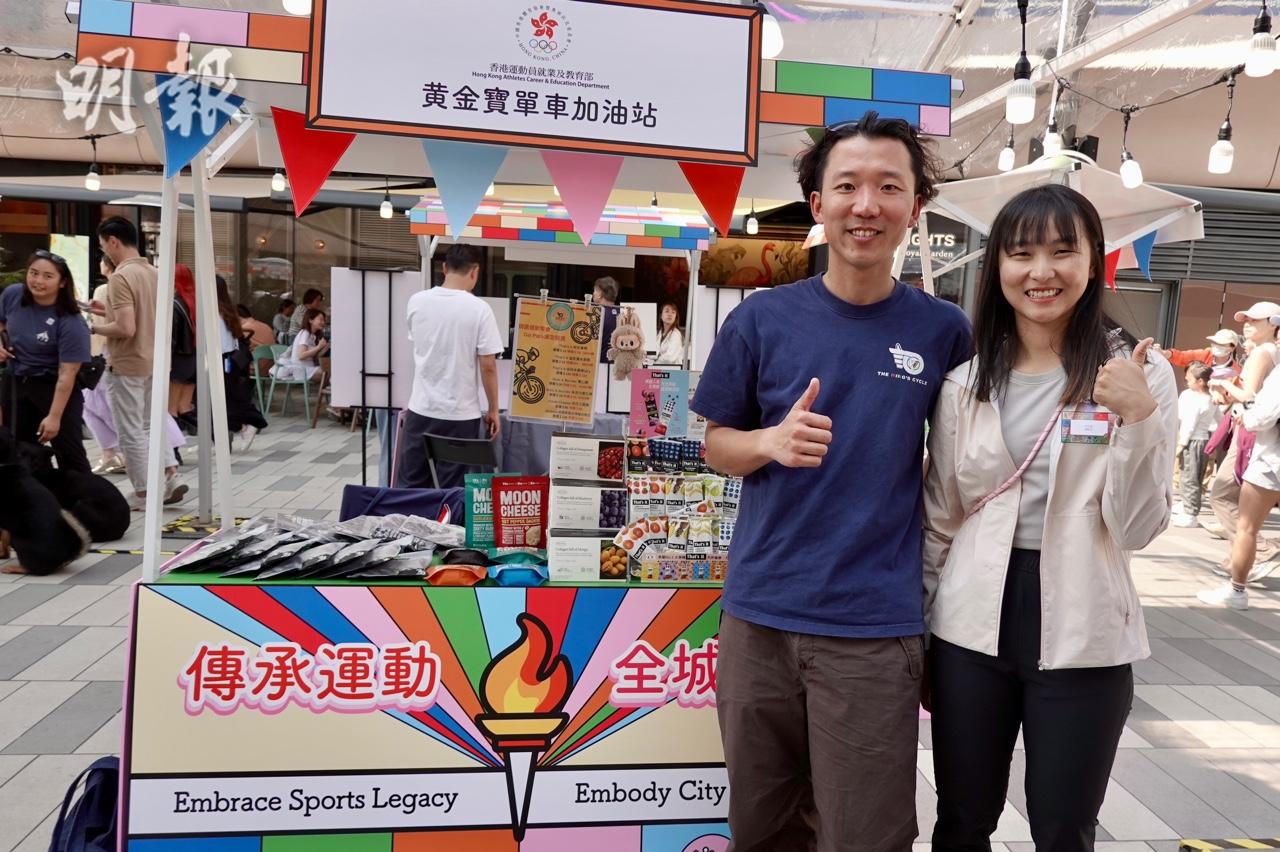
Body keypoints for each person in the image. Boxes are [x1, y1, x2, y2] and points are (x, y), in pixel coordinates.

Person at [690, 113, 972, 850]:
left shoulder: (944, 331)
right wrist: (769, 442)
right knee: (763, 826)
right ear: (818, 204)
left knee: (865, 834)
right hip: (760, 617)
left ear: (916, 206)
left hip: (873, 628)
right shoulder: (761, 320)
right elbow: (716, 445)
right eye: (847, 186)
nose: (865, 205)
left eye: (888, 187)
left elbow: (965, 460)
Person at [922, 184, 1177, 852]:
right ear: (998, 267)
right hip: (970, 622)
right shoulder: (966, 384)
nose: (1042, 271)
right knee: (962, 819)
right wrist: (919, 634)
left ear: (1094, 261)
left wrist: (1138, 418)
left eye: (1064, 251)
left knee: (1063, 826)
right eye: (1022, 253)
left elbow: (1140, 527)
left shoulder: (1139, 375)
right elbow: (941, 519)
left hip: (1085, 621)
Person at [90, 216, 186, 507]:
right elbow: (145, 317)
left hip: (128, 362)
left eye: (103, 246)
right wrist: (107, 312)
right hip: (157, 360)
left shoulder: (120, 277)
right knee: (151, 424)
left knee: (130, 430)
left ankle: (144, 491)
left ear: (113, 242)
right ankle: (170, 475)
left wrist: (94, 328)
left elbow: (126, 327)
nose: (104, 251)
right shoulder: (156, 273)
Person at [398, 243, 503, 490]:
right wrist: (493, 410)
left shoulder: (417, 302)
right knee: (452, 490)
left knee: (411, 486)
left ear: (444, 268)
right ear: (475, 272)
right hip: (460, 416)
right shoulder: (480, 310)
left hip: (421, 409)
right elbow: (488, 366)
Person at [0, 250, 92, 474]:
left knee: (70, 455)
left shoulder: (71, 322)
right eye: (34, 273)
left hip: (55, 387)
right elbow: (1, 322)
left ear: (62, 282)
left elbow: (67, 374)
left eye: (48, 276)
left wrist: (54, 417)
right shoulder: (13, 295)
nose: (38, 281)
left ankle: (85, 495)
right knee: (20, 452)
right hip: (17, 383)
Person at [1203, 303, 1280, 568]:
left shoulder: (1263, 352)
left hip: (1250, 430)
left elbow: (1249, 396)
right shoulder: (1270, 352)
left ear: (1273, 323)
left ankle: (1256, 552)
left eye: (1255, 320)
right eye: (1245, 319)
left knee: (1221, 493)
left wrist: (1222, 383)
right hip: (1257, 431)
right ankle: (1243, 558)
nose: (1247, 324)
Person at [1173, 363, 1219, 527]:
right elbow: (1220, 420)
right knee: (1195, 477)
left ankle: (1190, 514)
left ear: (1200, 382)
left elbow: (1189, 425)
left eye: (1189, 380)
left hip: (1193, 441)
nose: (1187, 382)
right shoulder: (1211, 398)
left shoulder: (1198, 400)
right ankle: (1188, 508)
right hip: (1204, 440)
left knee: (1189, 478)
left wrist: (1181, 444)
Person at [169, 264, 197, 423]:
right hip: (194, 358)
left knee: (171, 409)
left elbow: (172, 337)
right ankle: (206, 432)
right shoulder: (196, 300)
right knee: (185, 407)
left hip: (178, 358)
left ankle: (175, 440)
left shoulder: (175, 304)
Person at [271, 308, 328, 382]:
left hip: (307, 368)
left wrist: (324, 348)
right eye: (321, 319)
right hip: (301, 369)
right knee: (329, 372)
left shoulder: (312, 336)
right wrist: (318, 347)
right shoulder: (305, 333)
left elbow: (314, 356)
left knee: (329, 371)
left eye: (324, 320)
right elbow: (301, 355)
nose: (323, 322)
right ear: (311, 320)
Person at [593, 275, 621, 364]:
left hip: (598, 366)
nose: (593, 294)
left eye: (595, 291)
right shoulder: (623, 314)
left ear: (600, 294)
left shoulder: (596, 314)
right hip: (618, 366)